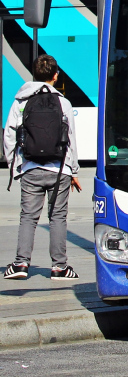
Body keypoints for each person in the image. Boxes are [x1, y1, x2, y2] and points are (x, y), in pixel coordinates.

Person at [3, 55, 82, 280]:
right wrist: (73, 171)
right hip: (59, 171)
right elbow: (71, 140)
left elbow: (10, 135)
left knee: (28, 217)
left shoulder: (21, 101)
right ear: (55, 76)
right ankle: (59, 267)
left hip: (30, 167)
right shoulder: (63, 103)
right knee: (57, 217)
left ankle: (20, 265)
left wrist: (15, 164)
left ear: (34, 75)